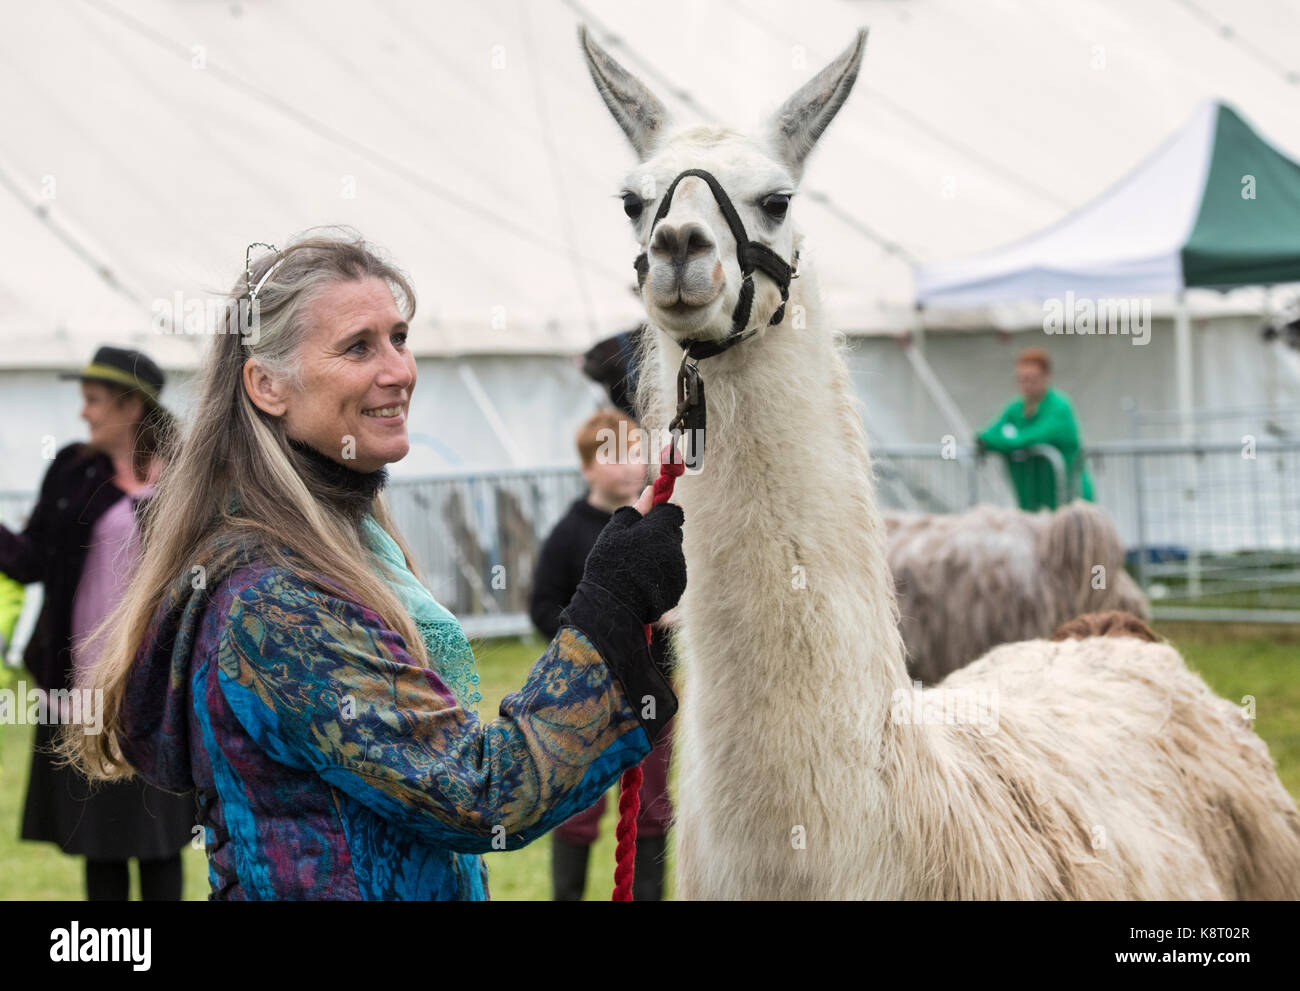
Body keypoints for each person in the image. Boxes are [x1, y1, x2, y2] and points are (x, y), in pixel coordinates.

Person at [63, 230, 686, 901]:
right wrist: (609, 608)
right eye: (359, 346)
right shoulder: (276, 601)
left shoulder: (346, 547)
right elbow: (483, 792)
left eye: (400, 337)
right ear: (267, 385)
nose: (399, 370)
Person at [0, 345, 193, 900]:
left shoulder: (186, 475)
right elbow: (30, 559)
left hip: (160, 691)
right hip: (83, 689)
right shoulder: (71, 470)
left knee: (161, 841)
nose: (83, 413)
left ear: (132, 407)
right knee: (100, 841)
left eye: (94, 401)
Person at [530, 409, 676, 901]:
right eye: (614, 455)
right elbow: (542, 605)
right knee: (578, 805)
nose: (629, 465)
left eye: (637, 453)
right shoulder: (569, 533)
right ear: (588, 468)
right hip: (589, 696)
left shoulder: (658, 527)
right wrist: (594, 632)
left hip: (652, 696)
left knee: (653, 805)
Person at [976, 347, 1094, 511]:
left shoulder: (1059, 407)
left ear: (1046, 377)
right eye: (1022, 379)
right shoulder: (1015, 409)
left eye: (1031, 378)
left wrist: (1005, 442)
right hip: (1032, 501)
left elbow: (1031, 438)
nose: (1026, 384)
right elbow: (987, 436)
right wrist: (998, 441)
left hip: (1068, 499)